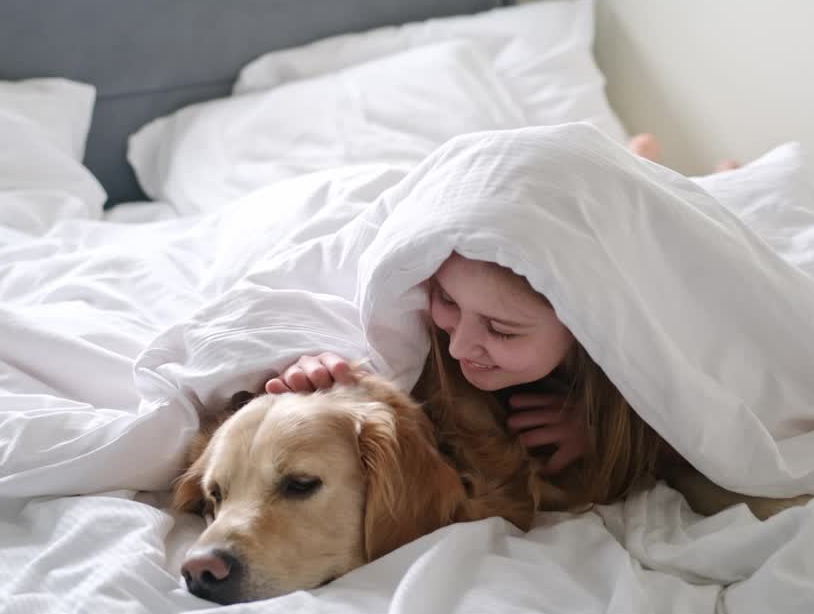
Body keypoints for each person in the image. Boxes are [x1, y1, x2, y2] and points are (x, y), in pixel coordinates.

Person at [264, 133, 736, 507]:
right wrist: (326, 364)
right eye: (447, 300)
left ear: (583, 326)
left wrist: (603, 427)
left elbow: (709, 414)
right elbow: (331, 308)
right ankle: (635, 155)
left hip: (654, 223)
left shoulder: (628, 332)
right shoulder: (423, 298)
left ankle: (686, 172)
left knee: (713, 202)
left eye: (501, 329)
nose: (458, 347)